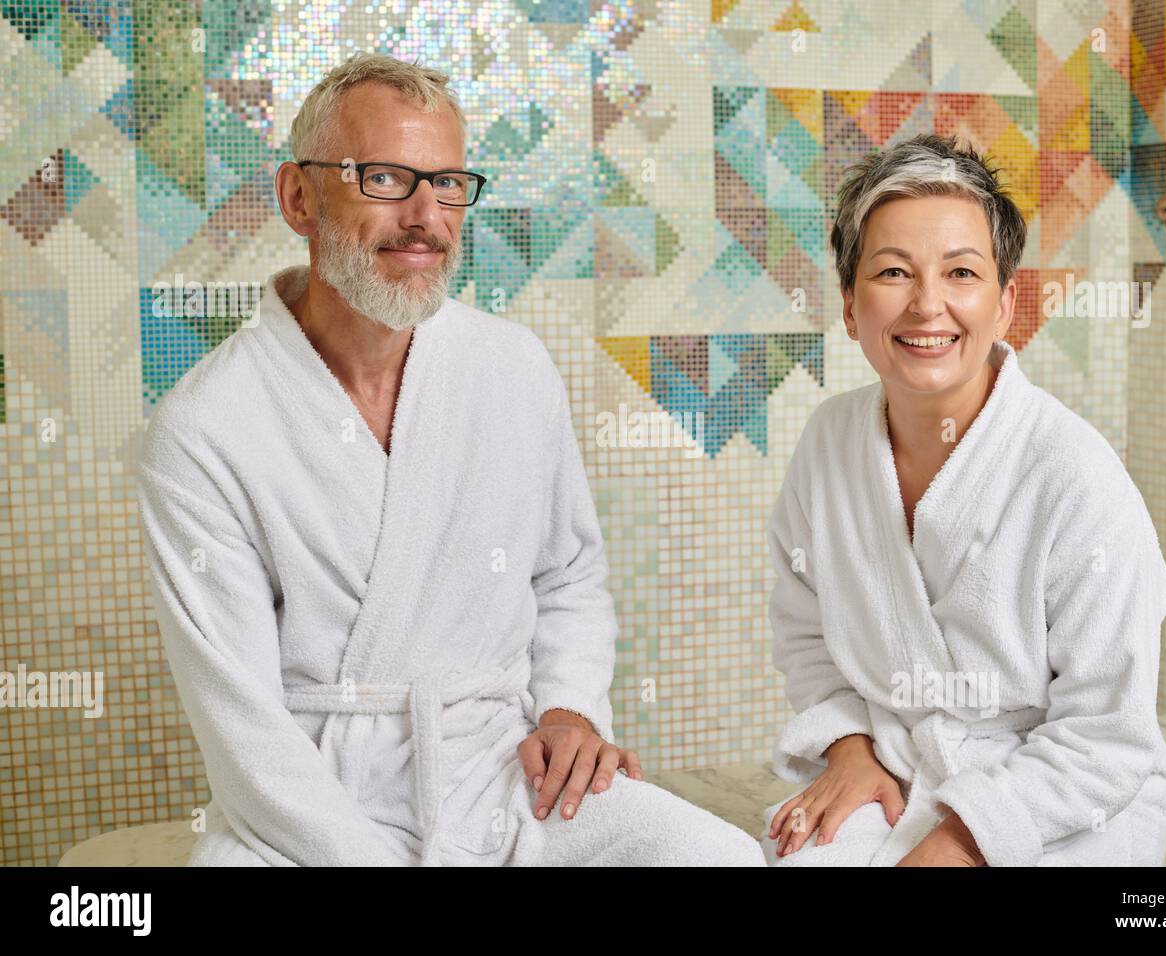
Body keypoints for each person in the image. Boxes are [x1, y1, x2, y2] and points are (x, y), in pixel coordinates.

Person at [136, 52, 763, 867]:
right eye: (384, 179)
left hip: (502, 778)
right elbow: (242, 725)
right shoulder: (204, 428)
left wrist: (571, 711)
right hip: (306, 811)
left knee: (716, 857)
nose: (426, 215)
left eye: (448, 183)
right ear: (297, 196)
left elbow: (566, 575)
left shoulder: (513, 367)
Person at [762, 134, 1166, 867]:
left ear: (1005, 302)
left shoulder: (1075, 474)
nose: (928, 305)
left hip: (1062, 792)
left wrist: (959, 842)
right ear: (850, 305)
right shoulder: (829, 445)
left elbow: (1109, 734)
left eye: (960, 272)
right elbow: (806, 636)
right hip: (898, 762)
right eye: (893, 271)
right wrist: (849, 747)